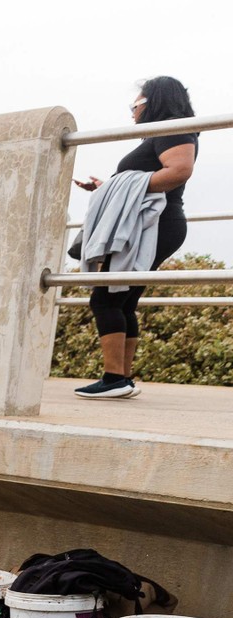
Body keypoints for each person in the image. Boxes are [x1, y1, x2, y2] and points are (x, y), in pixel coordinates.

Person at [74, 77, 199, 400]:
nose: (132, 113)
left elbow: (179, 170)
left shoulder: (172, 127)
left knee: (105, 298)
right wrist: (109, 188)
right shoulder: (166, 132)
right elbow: (148, 178)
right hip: (156, 223)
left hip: (154, 224)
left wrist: (125, 188)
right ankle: (122, 378)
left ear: (153, 102)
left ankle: (113, 377)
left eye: (135, 105)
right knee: (124, 299)